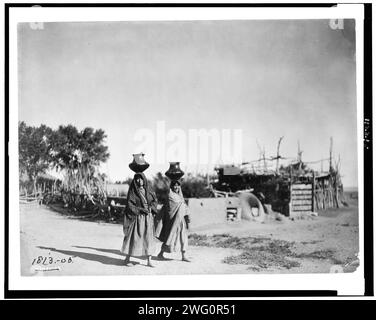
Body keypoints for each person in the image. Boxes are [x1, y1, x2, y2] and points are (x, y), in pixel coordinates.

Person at [121, 172, 158, 267]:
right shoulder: (133, 191)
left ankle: (149, 260)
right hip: (137, 218)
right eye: (137, 179)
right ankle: (127, 259)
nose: (139, 181)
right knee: (133, 238)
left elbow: (154, 201)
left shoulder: (149, 190)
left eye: (141, 178)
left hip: (148, 217)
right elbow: (130, 205)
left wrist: (151, 208)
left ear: (144, 179)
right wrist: (141, 210)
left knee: (148, 238)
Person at [157, 180, 191, 262]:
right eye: (174, 185)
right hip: (173, 221)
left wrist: (187, 218)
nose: (176, 187)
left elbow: (184, 207)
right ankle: (161, 253)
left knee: (183, 238)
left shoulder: (180, 196)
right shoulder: (170, 196)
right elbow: (170, 208)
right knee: (170, 238)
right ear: (172, 187)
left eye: (178, 185)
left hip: (181, 221)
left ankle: (184, 255)